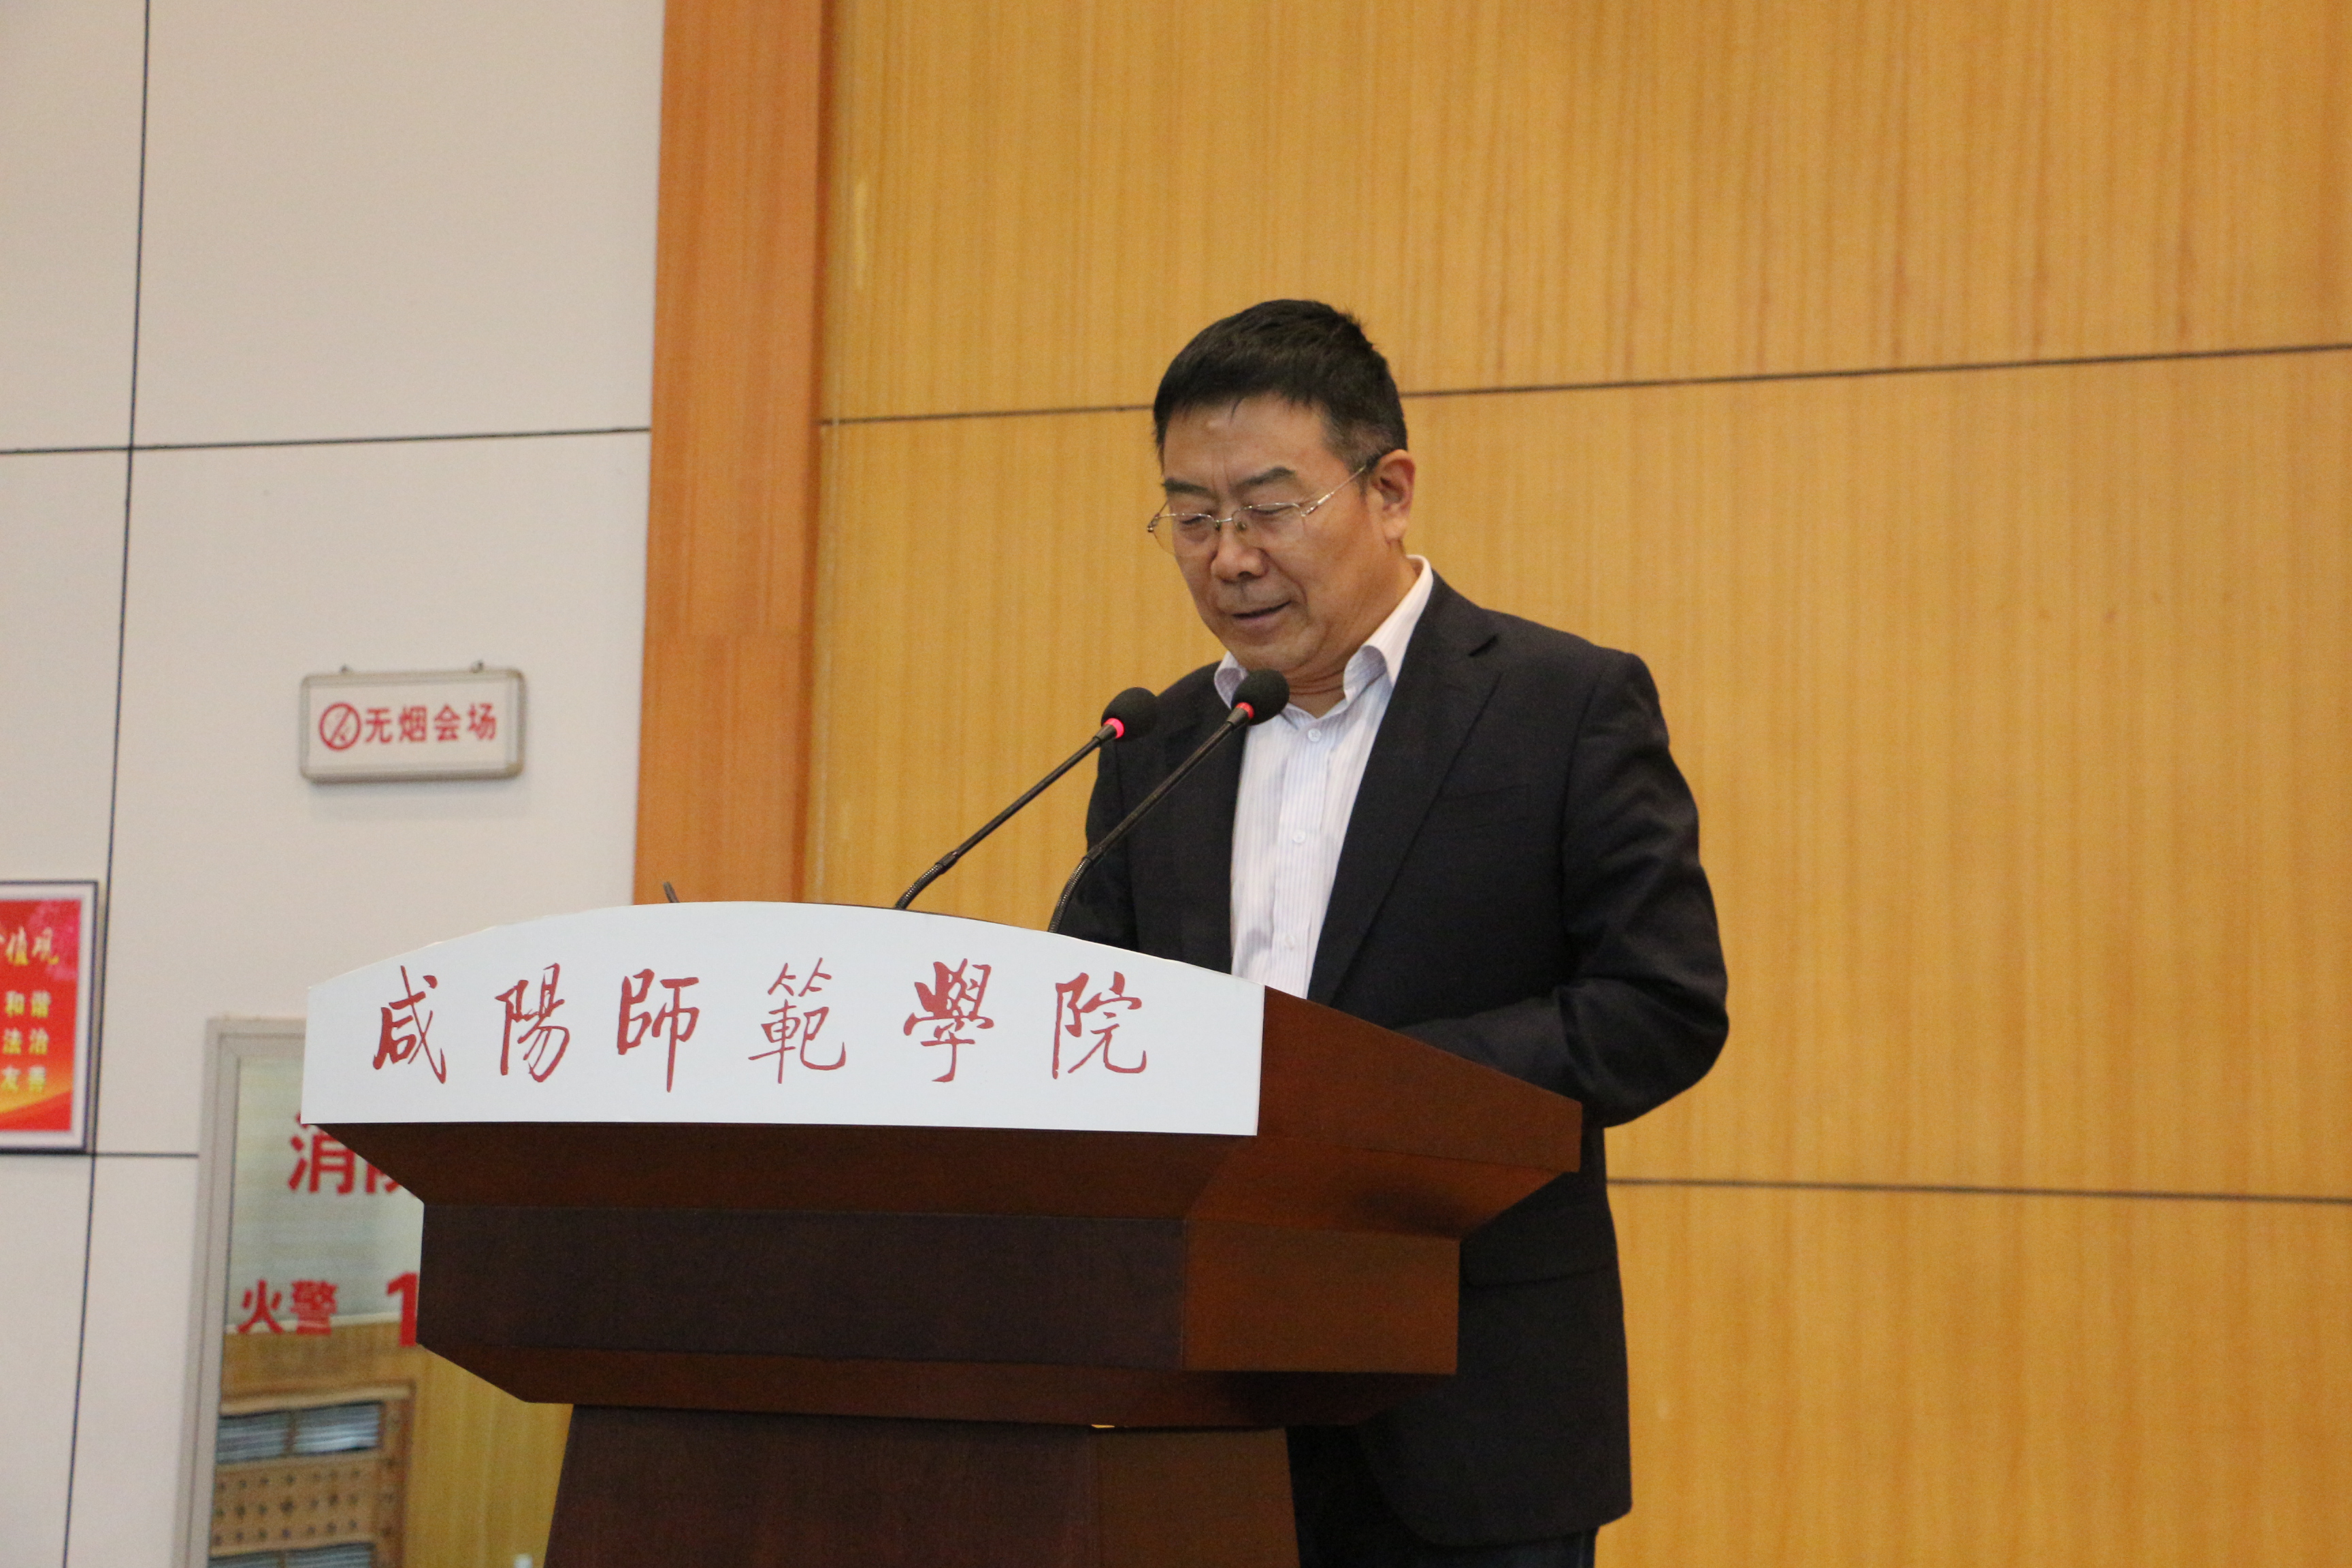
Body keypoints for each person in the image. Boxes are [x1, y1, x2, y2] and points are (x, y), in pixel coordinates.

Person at [1060, 300, 1729, 1567]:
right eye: (1192, 519)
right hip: (1203, 1412)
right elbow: (1096, 1027)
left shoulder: (1561, 706)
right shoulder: (1158, 744)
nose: (1231, 559)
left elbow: (1660, 1007)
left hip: (1472, 1412)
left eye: (1270, 508)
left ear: (1390, 491)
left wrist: (1367, 1091)